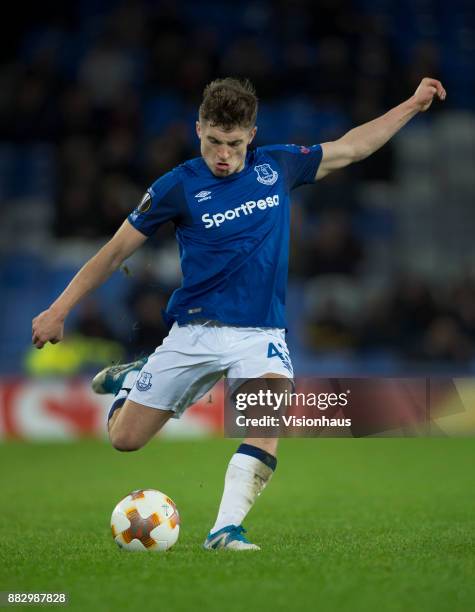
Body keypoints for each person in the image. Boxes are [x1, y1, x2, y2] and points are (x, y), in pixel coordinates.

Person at [32, 76, 446, 549]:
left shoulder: (278, 166)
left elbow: (352, 148)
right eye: (212, 142)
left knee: (268, 416)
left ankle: (224, 530)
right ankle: (135, 378)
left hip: (259, 334)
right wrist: (58, 309)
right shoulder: (177, 186)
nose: (222, 155)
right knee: (124, 439)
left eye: (232, 143)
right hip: (194, 332)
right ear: (198, 130)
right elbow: (112, 252)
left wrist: (412, 104)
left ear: (251, 134)